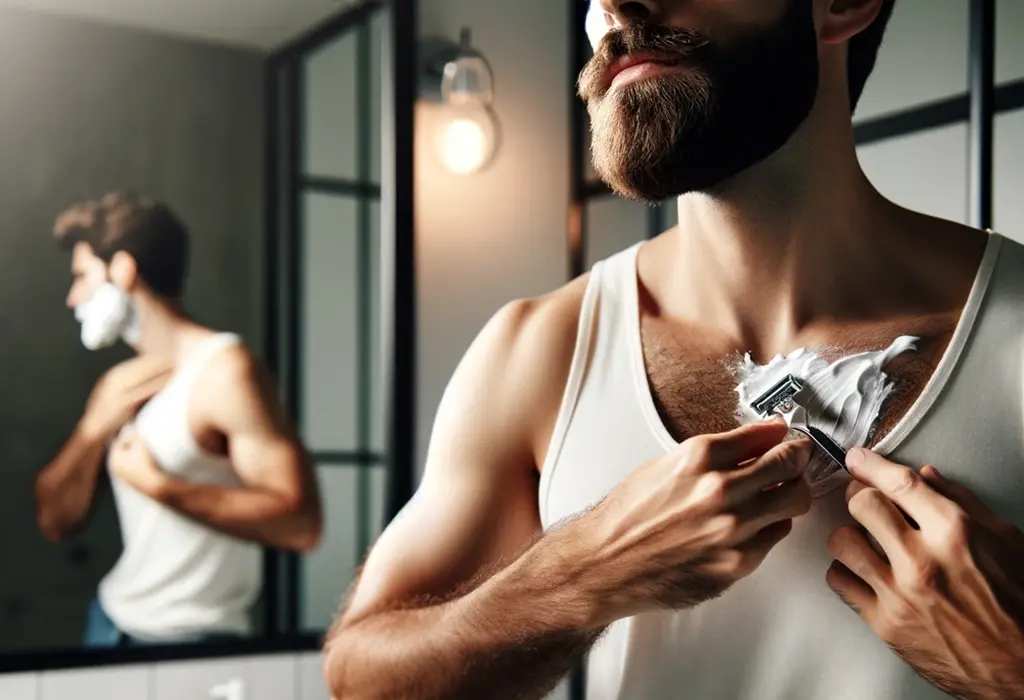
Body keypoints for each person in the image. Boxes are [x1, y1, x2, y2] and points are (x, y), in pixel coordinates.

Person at [324, 1, 1024, 698]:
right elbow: (362, 679)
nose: (614, 6)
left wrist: (1010, 665)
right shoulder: (540, 351)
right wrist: (585, 571)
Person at [34, 192, 322, 648]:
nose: (72, 298)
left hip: (192, 640)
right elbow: (54, 521)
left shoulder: (225, 371)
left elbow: (301, 524)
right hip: (110, 623)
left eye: (81, 277)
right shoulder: (119, 385)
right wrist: (92, 430)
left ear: (123, 271)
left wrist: (161, 487)